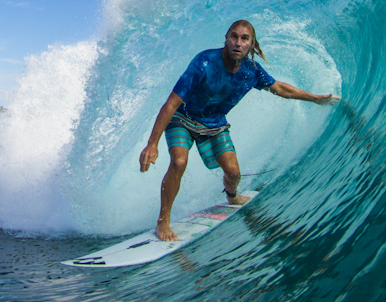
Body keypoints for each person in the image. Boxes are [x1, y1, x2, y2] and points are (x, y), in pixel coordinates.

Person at [139, 20, 340, 241]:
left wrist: (315, 99)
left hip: (215, 124)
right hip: (183, 118)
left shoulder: (251, 72)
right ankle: (163, 222)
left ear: (252, 44)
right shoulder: (204, 62)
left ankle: (232, 197)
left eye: (244, 39)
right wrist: (152, 143)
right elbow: (171, 104)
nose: (238, 43)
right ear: (226, 38)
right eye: (234, 37)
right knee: (178, 161)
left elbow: (280, 88)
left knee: (234, 173)